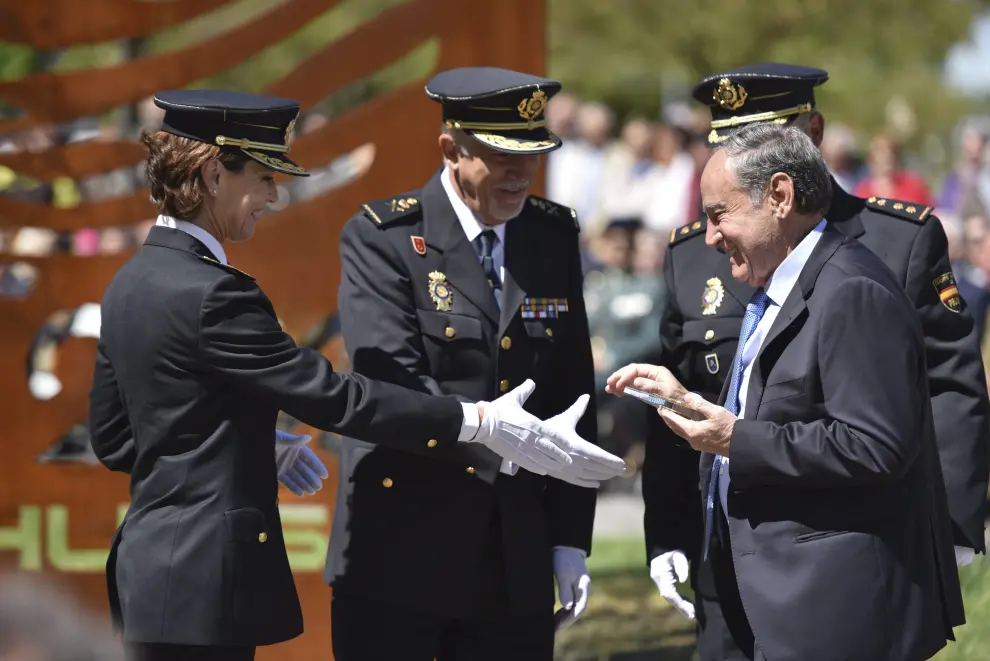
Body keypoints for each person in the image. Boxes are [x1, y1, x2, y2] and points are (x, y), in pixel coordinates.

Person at [88, 89, 626, 661]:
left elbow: (118, 438)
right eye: (264, 177)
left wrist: (254, 440)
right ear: (215, 173)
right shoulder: (216, 293)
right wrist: (477, 421)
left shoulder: (130, 282)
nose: (273, 195)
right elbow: (333, 398)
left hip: (148, 574)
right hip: (205, 581)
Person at [641, 63, 990, 661]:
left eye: (762, 139)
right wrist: (669, 530)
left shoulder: (888, 242)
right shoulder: (698, 250)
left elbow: (945, 388)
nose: (738, 156)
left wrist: (949, 528)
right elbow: (693, 395)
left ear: (811, 135)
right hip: (726, 548)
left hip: (835, 560)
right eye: (727, 143)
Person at [326, 67, 600, 661]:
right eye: (502, 156)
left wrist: (570, 539)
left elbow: (573, 391)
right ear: (451, 149)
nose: (520, 175)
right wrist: (495, 436)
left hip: (514, 559)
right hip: (402, 552)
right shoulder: (386, 238)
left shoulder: (549, 236)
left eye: (532, 156)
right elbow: (391, 384)